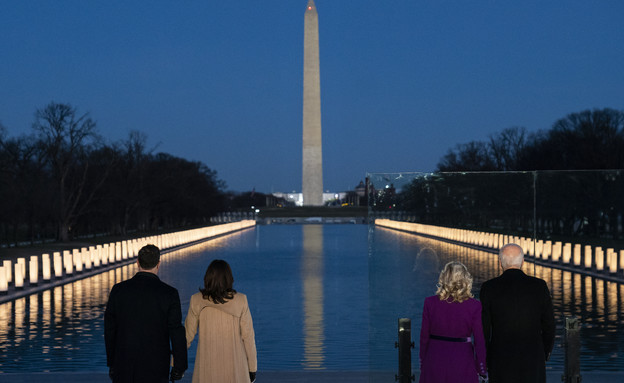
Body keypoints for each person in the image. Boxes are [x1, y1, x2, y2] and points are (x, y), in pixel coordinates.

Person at [104, 244, 187, 382]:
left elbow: (110, 330)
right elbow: (176, 331)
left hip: (124, 363)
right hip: (156, 365)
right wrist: (179, 366)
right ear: (158, 264)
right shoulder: (169, 293)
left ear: (137, 262)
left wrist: (112, 362)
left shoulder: (118, 290)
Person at [480, 243, 556, 383]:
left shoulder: (489, 288)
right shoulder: (539, 286)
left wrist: (486, 358)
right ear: (522, 261)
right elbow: (549, 326)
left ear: (500, 263)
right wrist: (543, 353)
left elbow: (484, 330)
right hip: (533, 359)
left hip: (500, 360)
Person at [185, 259, 257, 383]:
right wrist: (252, 368)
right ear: (229, 278)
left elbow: (187, 336)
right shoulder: (241, 301)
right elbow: (248, 338)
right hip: (236, 368)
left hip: (206, 367)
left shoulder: (196, 300)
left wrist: (175, 363)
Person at [419, 261, 487, 383]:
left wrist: (424, 361)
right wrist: (481, 367)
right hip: (463, 359)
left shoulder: (430, 302)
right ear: (466, 279)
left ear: (444, 278)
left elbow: (424, 337)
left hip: (434, 358)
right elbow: (479, 340)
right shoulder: (475, 306)